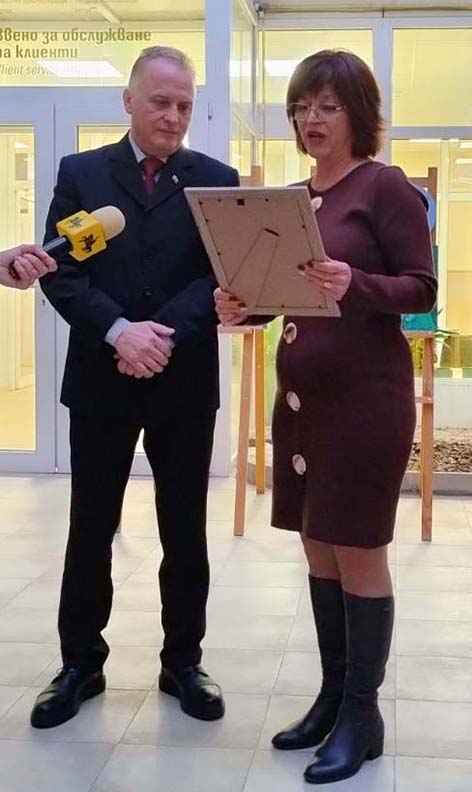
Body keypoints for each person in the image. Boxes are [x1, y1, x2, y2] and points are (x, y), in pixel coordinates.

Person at [215, 50, 436, 785]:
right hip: (303, 406)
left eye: (328, 106)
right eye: (302, 105)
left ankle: (362, 716)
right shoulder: (292, 199)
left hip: (365, 405)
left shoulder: (386, 187)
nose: (312, 118)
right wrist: (245, 305)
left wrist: (357, 282)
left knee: (357, 550)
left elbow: (420, 288)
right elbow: (284, 295)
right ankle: (334, 698)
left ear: (358, 114)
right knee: (317, 548)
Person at [30, 45, 239, 730]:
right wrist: (120, 332)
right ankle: (79, 665)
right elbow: (59, 269)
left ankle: (183, 662)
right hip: (102, 378)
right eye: (160, 102)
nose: (173, 116)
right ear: (129, 101)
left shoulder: (216, 181)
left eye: (184, 105)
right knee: (91, 526)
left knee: (185, 530)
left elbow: (219, 276)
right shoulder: (82, 173)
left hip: (182, 380)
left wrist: (160, 335)